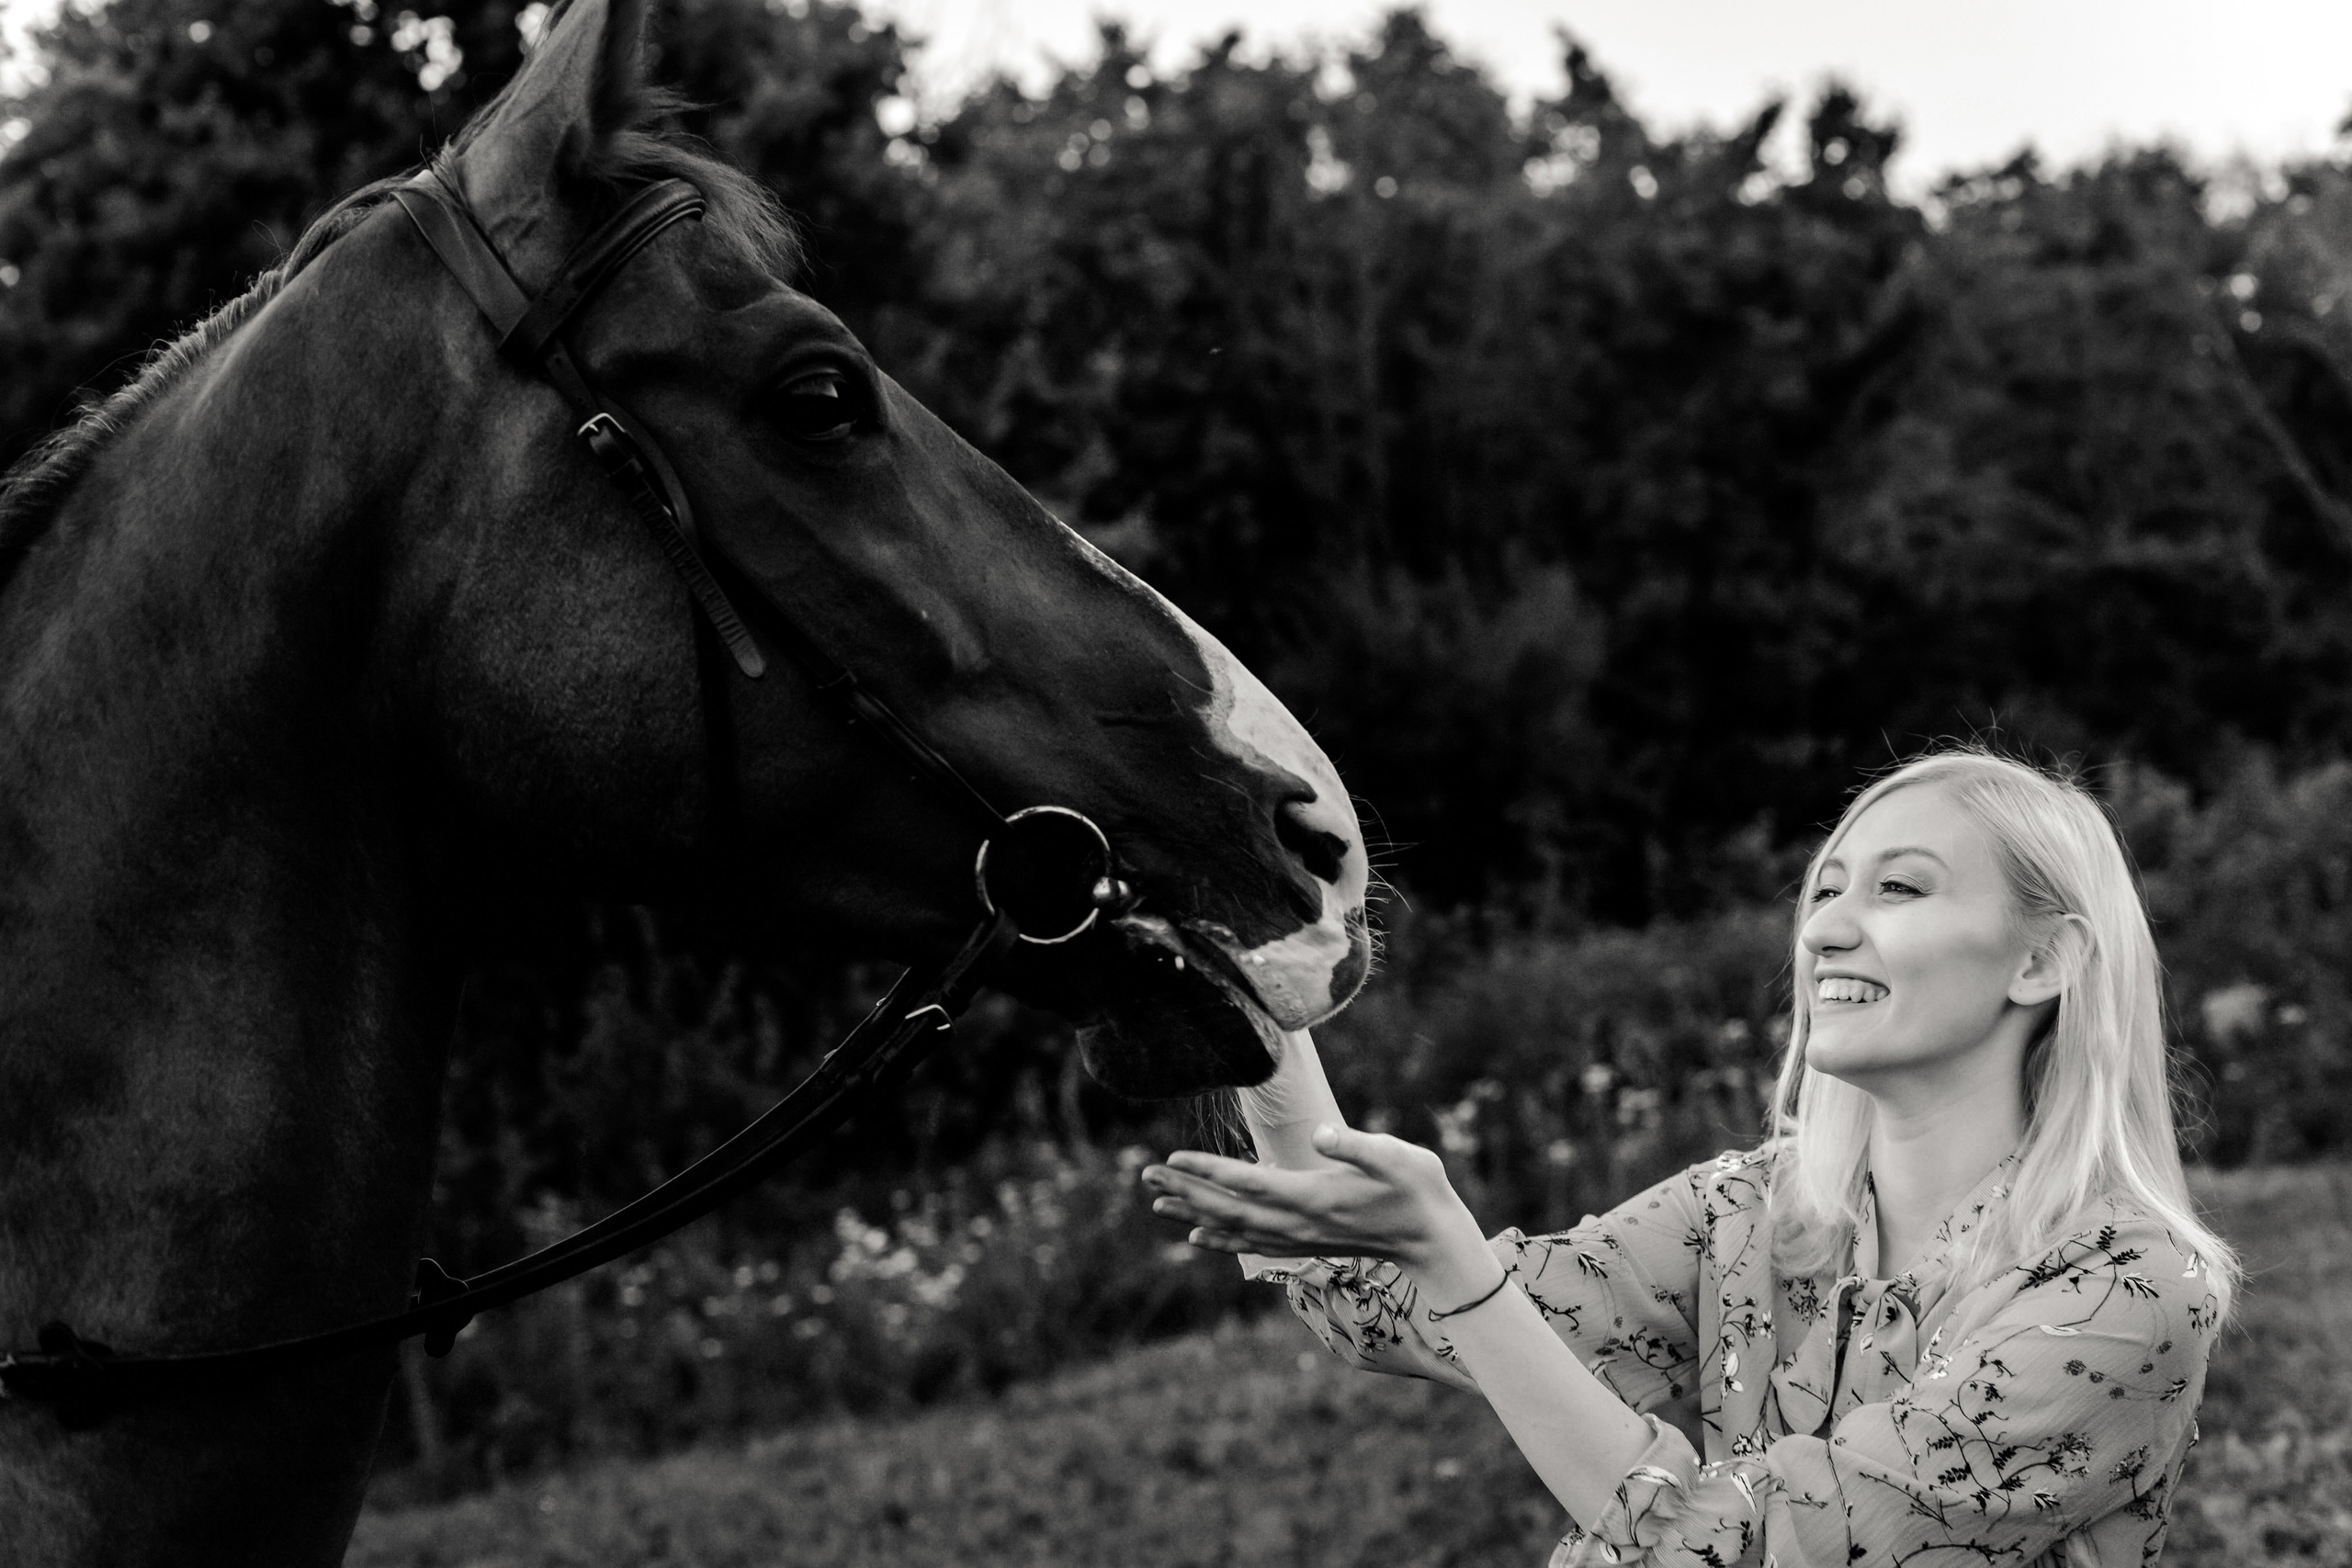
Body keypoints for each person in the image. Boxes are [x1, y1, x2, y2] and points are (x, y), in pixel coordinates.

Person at [1142, 749, 2236, 1567]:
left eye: (1898, 888)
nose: (1824, 932)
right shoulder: (1751, 1210)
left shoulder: (2125, 1289)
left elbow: (1746, 1551)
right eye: (1824, 889)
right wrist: (1261, 1012)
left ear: (2043, 958)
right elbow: (1396, 1306)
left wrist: (1453, 1263)